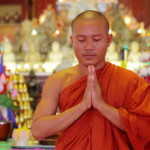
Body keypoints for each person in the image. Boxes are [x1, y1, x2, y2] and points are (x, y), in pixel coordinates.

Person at [31, 10, 150, 150]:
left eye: (96, 39)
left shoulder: (131, 81)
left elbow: (145, 129)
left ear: (108, 40)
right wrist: (82, 106)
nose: (88, 47)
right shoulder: (58, 81)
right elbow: (38, 131)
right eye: (81, 40)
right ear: (72, 41)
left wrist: (101, 105)